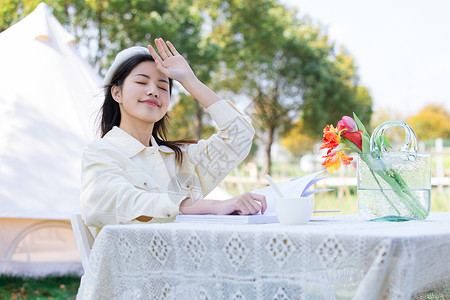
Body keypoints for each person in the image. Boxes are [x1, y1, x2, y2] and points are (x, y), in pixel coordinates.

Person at [81, 38, 266, 234]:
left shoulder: (181, 157)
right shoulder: (100, 153)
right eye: (141, 82)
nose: (153, 91)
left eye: (163, 87)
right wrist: (210, 206)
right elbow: (114, 202)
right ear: (116, 93)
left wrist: (189, 80)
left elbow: (240, 136)